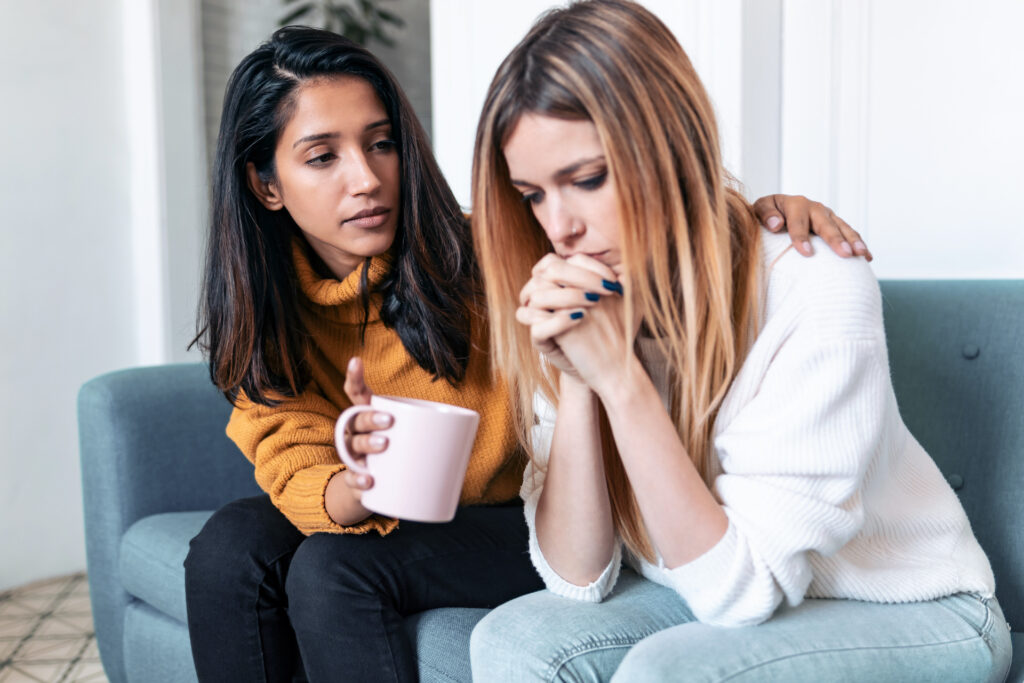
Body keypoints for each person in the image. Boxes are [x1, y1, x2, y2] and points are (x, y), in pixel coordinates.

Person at [183, 24, 868, 683]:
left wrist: (757, 214)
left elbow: (639, 222)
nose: (365, 178)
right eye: (322, 156)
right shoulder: (268, 317)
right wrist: (365, 480)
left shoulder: (499, 248)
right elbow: (293, 461)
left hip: (525, 509)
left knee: (334, 569)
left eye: (381, 143)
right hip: (399, 507)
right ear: (265, 184)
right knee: (231, 548)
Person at [468, 2, 1011, 682]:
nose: (559, 226)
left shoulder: (815, 285)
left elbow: (742, 589)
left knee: (668, 672)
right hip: (713, 591)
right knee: (511, 642)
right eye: (532, 195)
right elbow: (578, 577)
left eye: (587, 179)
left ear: (671, 145)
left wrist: (622, 381)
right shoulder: (589, 295)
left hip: (914, 606)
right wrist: (581, 376)